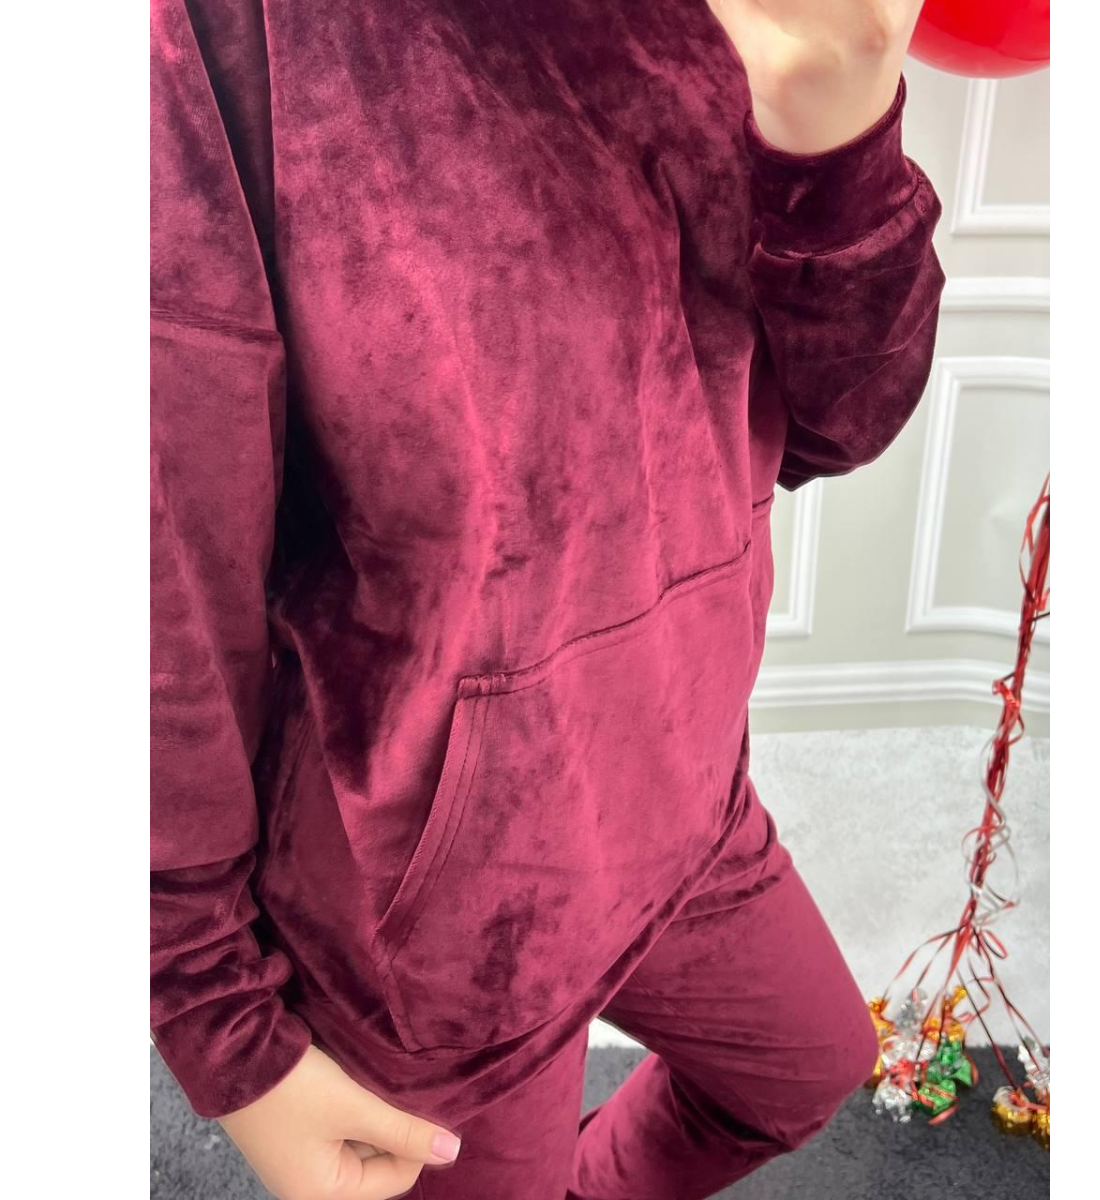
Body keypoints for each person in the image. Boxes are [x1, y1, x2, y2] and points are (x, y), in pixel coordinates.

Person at [149, 1, 945, 1197]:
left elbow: (837, 426)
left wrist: (839, 142)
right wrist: (215, 1018)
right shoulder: (219, 36)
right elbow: (160, 570)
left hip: (681, 791)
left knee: (808, 1066)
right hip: (439, 916)